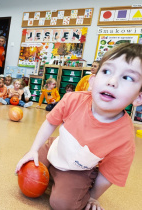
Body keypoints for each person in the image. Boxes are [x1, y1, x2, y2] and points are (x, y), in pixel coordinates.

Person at [16, 43, 142, 210]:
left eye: (127, 77)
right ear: (92, 80)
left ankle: (75, 181)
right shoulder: (73, 99)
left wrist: (93, 197)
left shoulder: (124, 137)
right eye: (106, 71)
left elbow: (110, 173)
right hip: (56, 147)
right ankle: (53, 173)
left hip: (78, 168)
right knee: (26, 168)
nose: (112, 82)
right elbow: (50, 122)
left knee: (62, 205)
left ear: (139, 98)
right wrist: (34, 149)